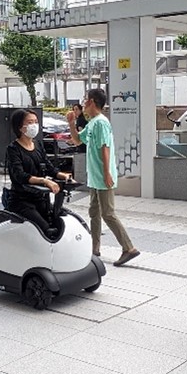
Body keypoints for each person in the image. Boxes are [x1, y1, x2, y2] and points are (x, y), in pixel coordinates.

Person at [66, 88, 140, 266]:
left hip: (102, 176)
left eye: (85, 100)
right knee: (94, 213)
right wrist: (71, 123)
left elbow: (105, 148)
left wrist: (107, 173)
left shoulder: (101, 123)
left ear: (92, 101)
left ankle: (128, 248)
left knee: (108, 213)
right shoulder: (92, 123)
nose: (83, 103)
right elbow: (77, 141)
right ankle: (94, 249)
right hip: (95, 177)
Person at [6, 109, 72, 235]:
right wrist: (44, 181)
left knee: (61, 220)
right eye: (30, 122)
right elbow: (20, 176)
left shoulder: (38, 145)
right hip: (22, 201)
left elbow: (49, 167)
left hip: (41, 199)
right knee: (46, 229)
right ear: (20, 127)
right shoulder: (13, 149)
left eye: (36, 122)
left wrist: (63, 176)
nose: (34, 125)